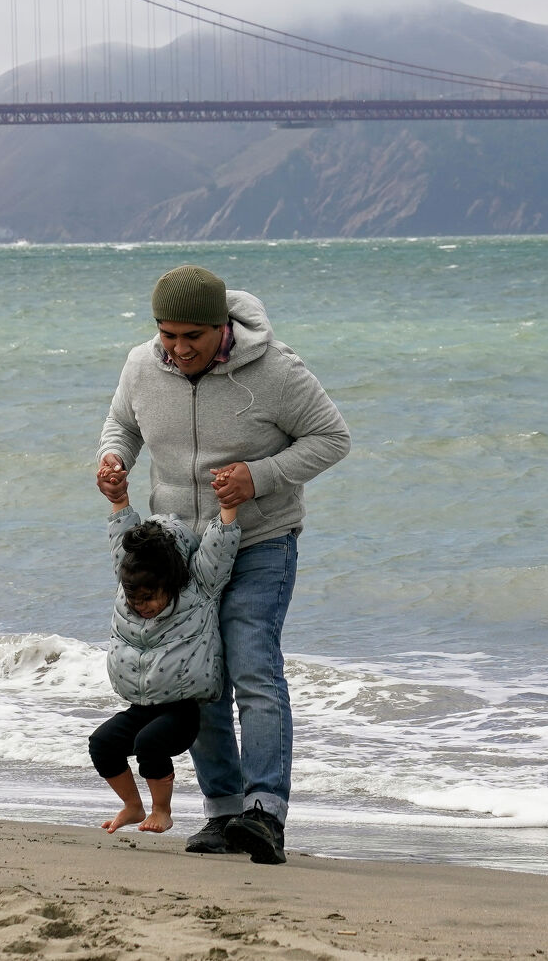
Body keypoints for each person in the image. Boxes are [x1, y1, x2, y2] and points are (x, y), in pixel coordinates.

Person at [96, 264, 350, 865]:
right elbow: (122, 424)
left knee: (253, 668)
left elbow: (331, 437)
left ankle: (266, 814)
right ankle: (223, 811)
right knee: (199, 678)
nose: (178, 349)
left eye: (192, 337)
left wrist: (258, 478)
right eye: (167, 335)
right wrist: (113, 457)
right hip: (179, 548)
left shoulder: (276, 370)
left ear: (221, 328)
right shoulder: (140, 365)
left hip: (260, 540)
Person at [89, 507, 239, 834]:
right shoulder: (130, 577)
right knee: (101, 743)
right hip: (142, 707)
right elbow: (121, 540)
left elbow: (220, 550)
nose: (141, 606)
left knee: (149, 743)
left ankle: (161, 810)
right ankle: (132, 806)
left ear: (169, 583)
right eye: (133, 599)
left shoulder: (198, 587)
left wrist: (228, 508)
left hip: (182, 710)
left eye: (149, 598)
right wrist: (117, 500)